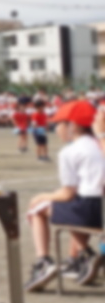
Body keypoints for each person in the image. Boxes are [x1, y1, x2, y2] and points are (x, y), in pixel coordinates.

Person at [25, 100, 105, 291]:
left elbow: (68, 193)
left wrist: (43, 196)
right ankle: (84, 255)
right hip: (99, 208)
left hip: (89, 210)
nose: (56, 130)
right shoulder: (99, 143)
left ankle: (43, 261)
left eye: (58, 124)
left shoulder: (69, 151)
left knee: (37, 209)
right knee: (66, 209)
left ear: (72, 126)